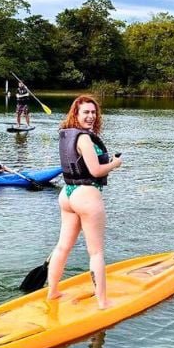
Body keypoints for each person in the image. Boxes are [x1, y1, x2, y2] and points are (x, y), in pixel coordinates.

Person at [46, 95, 122, 310]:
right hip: (86, 195)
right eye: (85, 112)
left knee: (62, 247)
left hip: (67, 194)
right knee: (96, 252)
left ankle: (53, 292)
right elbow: (96, 170)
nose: (90, 116)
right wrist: (115, 164)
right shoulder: (84, 139)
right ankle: (103, 301)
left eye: (93, 112)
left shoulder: (66, 134)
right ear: (75, 114)